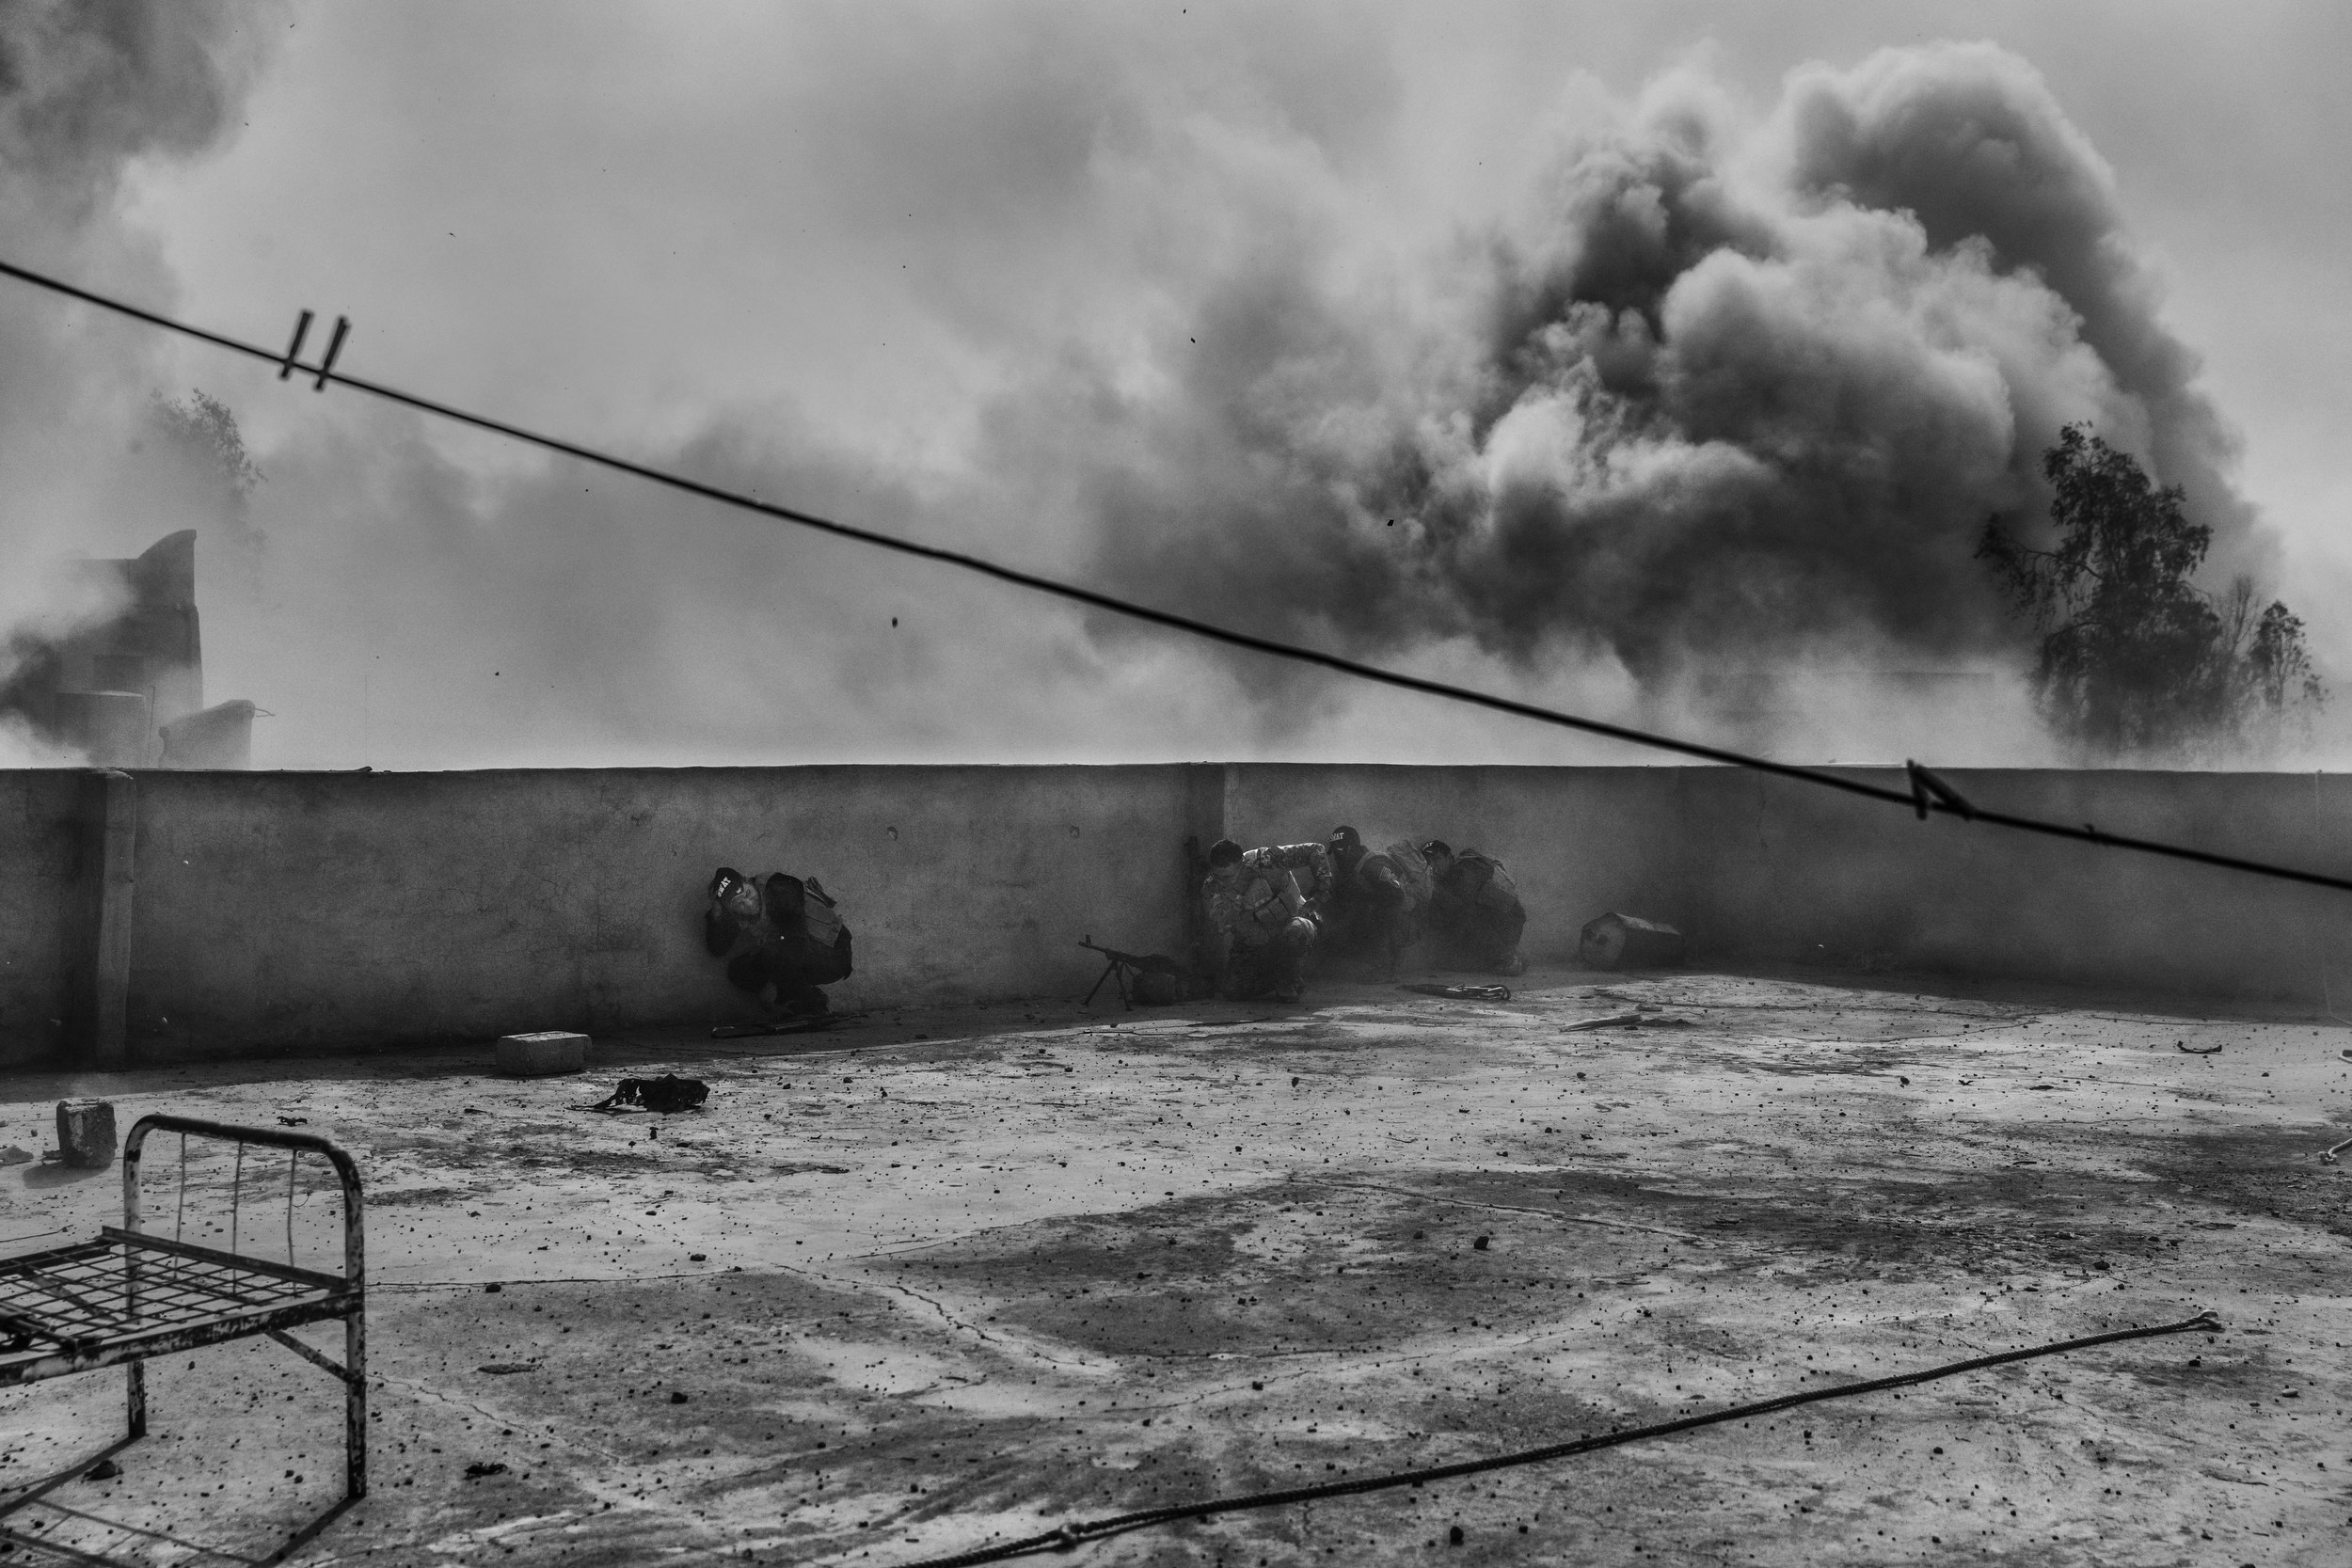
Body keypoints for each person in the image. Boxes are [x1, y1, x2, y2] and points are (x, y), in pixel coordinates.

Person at [704, 866, 853, 1015]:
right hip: (795, 954)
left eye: (748, 894)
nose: (749, 904)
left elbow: (795, 939)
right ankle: (799, 1003)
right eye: (740, 904)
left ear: (747, 880)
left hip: (833, 954)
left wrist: (773, 984)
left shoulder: (778, 888)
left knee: (777, 951)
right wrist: (717, 914)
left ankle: (813, 1005)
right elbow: (718, 949)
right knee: (740, 970)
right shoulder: (738, 915)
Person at [1200, 838, 1315, 1002]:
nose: (1224, 881)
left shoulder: (1266, 864)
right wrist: (1235, 900)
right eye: (1219, 876)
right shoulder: (1215, 885)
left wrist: (1322, 888)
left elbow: (1312, 851)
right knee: (1233, 990)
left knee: (1297, 932)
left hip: (1285, 929)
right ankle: (1276, 976)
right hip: (1254, 944)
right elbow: (1221, 926)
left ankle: (1287, 980)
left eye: (1228, 876)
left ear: (1241, 863)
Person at [1322, 826, 1435, 976]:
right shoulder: (1357, 868)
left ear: (1351, 849)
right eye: (1335, 853)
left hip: (1407, 922)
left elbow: (1397, 896)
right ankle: (1379, 963)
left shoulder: (1373, 866)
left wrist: (1367, 898)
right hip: (1398, 921)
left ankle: (1386, 968)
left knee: (1377, 911)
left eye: (1339, 853)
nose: (1337, 858)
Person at [1422, 840, 1528, 975]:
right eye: (1428, 861)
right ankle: (1510, 956)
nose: (1432, 866)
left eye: (1437, 859)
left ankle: (1508, 958)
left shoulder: (1465, 871)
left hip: (1507, 923)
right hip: (1499, 925)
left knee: (1467, 923)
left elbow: (1464, 909)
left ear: (1450, 858)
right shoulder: (1449, 879)